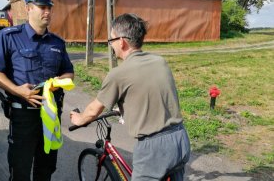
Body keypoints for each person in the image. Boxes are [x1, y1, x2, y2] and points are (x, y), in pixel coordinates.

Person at [70, 13, 190, 180]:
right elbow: (152, 91)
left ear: (121, 41)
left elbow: (93, 110)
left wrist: (78, 119)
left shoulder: (118, 74)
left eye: (111, 41)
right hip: (180, 139)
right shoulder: (159, 61)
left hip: (154, 150)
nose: (111, 45)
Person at [0, 0, 74, 181]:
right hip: (23, 116)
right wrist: (18, 90)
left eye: (49, 7)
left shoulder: (57, 43)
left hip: (52, 117)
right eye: (42, 6)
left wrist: (62, 80)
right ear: (28, 8)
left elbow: (69, 72)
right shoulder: (8, 37)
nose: (47, 11)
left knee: (46, 169)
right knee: (20, 170)